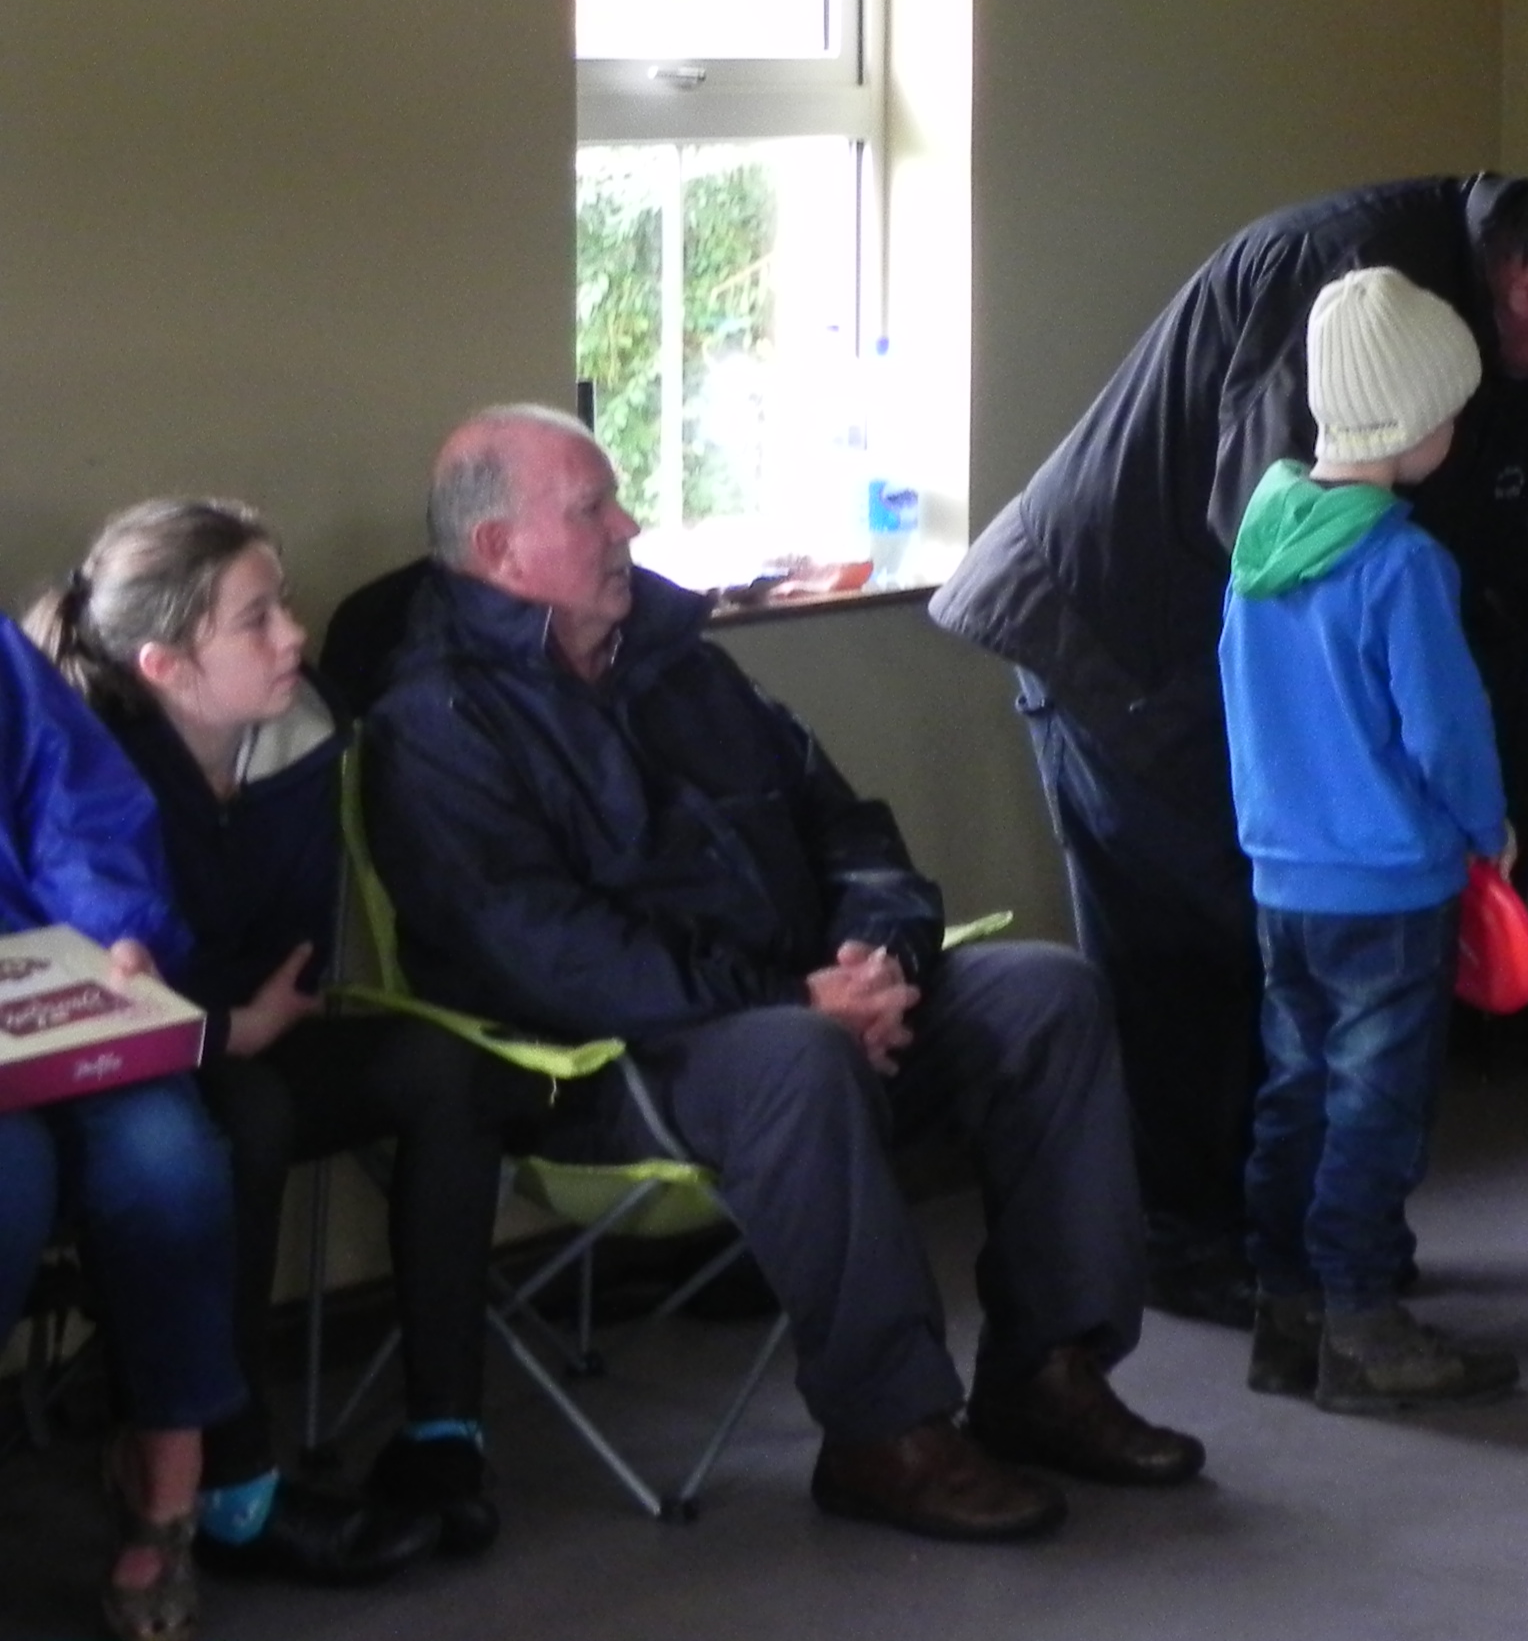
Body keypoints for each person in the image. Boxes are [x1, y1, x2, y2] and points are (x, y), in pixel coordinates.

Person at [363, 405, 1202, 1544]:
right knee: (799, 1057)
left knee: (1045, 995)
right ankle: (884, 1433)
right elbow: (545, 950)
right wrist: (795, 1002)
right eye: (592, 508)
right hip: (606, 1068)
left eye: (618, 500)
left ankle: (1046, 1375)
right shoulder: (434, 722)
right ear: (500, 551)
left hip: (803, 1006)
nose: (628, 525)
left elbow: (845, 824)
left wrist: (878, 960)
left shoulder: (681, 664)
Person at [933, 173, 1528, 1325]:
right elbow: (1277, 547)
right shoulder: (1357, 290)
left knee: (1283, 996)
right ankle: (1205, 1249)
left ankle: (1302, 1256)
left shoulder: (1497, 355)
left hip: (1245, 677)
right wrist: (1416, 778)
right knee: (1191, 967)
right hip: (1118, 639)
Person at [35, 500, 547, 1578]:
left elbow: (291, 951)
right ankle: (235, 1488)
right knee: (248, 1114)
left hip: (263, 1024)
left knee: (445, 1068)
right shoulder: (87, 767)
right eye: (256, 619)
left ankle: (442, 1433)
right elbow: (104, 978)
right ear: (166, 666)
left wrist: (250, 1017)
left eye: (285, 605)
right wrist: (224, 1026)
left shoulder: (302, 733)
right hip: (141, 1073)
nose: (294, 635)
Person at [1224, 268, 1519, 1413]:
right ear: (1413, 424)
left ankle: (1286, 1316)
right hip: (1390, 887)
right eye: (1450, 411)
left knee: (1294, 1094)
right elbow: (1445, 727)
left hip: (1282, 879)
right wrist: (1486, 824)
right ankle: (1363, 1328)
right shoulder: (1401, 563)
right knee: (1374, 1111)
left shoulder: (1260, 546)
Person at [0, 619, 242, 1641]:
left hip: (45, 982)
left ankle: (163, 1483)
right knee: (8, 1180)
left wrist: (119, 934)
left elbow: (77, 815)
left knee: (167, 1158)